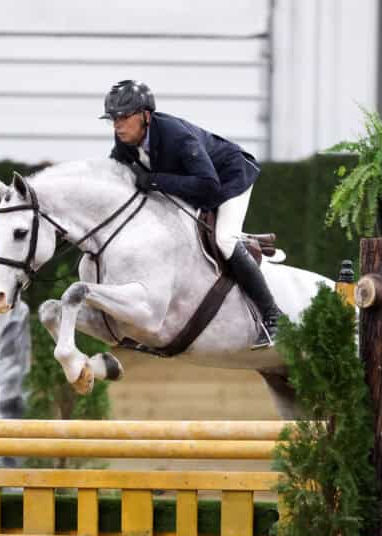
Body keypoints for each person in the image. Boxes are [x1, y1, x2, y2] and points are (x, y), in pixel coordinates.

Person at [101, 79, 281, 349]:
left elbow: (209, 188)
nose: (117, 125)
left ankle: (273, 318)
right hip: (197, 184)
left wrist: (152, 180)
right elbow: (115, 175)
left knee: (224, 240)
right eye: (113, 118)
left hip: (231, 178)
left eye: (124, 117)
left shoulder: (176, 135)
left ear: (146, 116)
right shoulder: (124, 138)